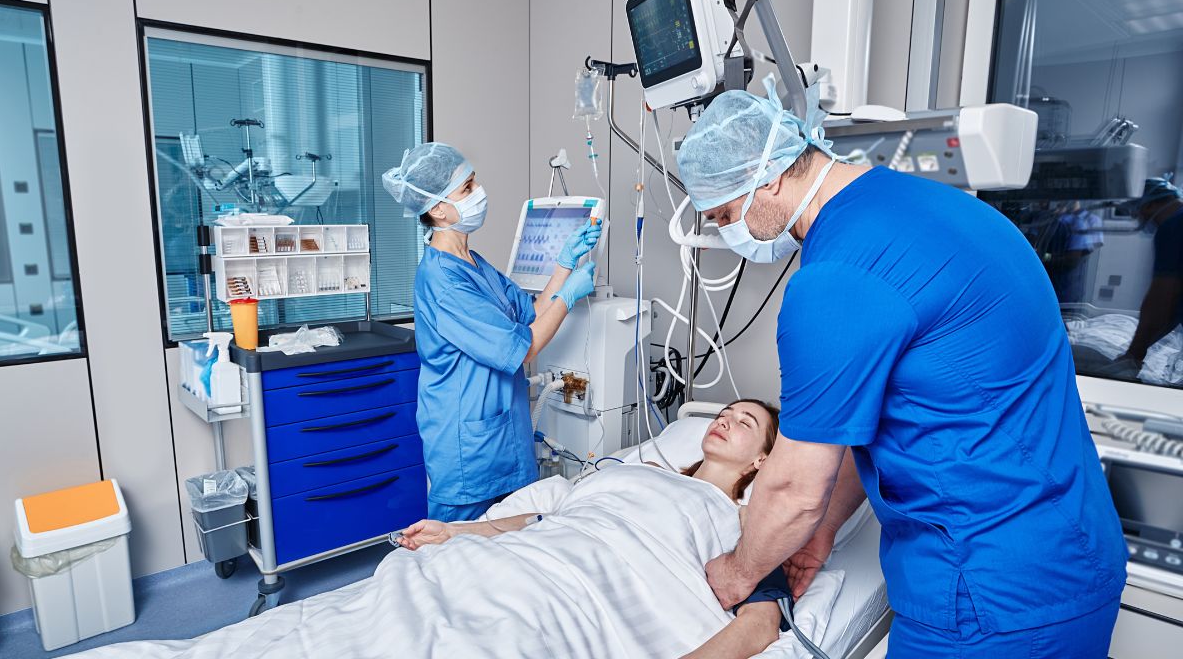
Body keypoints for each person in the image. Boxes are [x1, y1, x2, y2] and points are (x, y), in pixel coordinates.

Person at [673, 76, 1126, 658]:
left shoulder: (835, 282)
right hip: (1075, 548)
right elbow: (886, 420)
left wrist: (738, 573)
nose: (723, 230)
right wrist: (826, 530)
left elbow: (791, 488)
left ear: (772, 176)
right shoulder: (940, 209)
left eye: (725, 213)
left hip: (994, 599)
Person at [400, 400, 796, 659]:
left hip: (593, 588)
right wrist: (460, 532)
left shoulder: (744, 524)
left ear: (762, 459)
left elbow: (760, 624)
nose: (725, 420)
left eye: (745, 422)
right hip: (535, 555)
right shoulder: (643, 470)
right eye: (723, 414)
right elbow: (547, 518)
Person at [382, 143, 603, 522]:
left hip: (503, 435)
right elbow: (524, 349)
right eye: (467, 188)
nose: (479, 193)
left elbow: (531, 311)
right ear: (437, 209)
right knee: (454, 559)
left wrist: (564, 264)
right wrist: (568, 298)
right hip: (468, 448)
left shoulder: (472, 263)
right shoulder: (444, 280)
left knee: (510, 557)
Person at [1109, 176, 1183, 377]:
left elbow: (1162, 297)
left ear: (1150, 204)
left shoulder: (1173, 226)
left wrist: (1134, 353)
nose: (1138, 218)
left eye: (1137, 210)